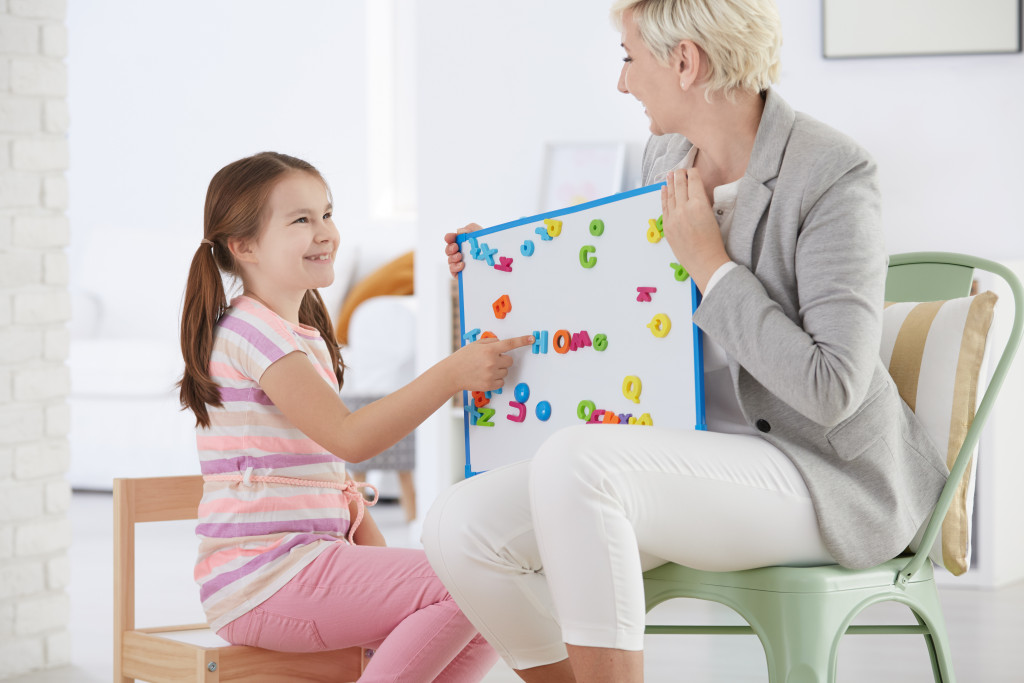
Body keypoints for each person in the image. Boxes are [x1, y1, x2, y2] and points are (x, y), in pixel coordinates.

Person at [423, 1, 949, 681]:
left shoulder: (831, 173)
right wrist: (496, 269)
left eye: (628, 58)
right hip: (696, 456)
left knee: (579, 464)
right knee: (460, 525)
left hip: (819, 472)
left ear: (684, 61)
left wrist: (713, 266)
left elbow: (833, 389)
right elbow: (625, 310)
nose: (622, 82)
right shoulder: (665, 157)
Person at [178, 151, 531, 682]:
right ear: (244, 245)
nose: (326, 232)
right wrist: (451, 374)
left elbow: (325, 476)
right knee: (476, 584)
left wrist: (481, 275)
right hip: (264, 578)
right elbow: (350, 439)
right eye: (302, 219)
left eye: (327, 213)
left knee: (489, 601)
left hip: (299, 566)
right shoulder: (252, 332)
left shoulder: (301, 336)